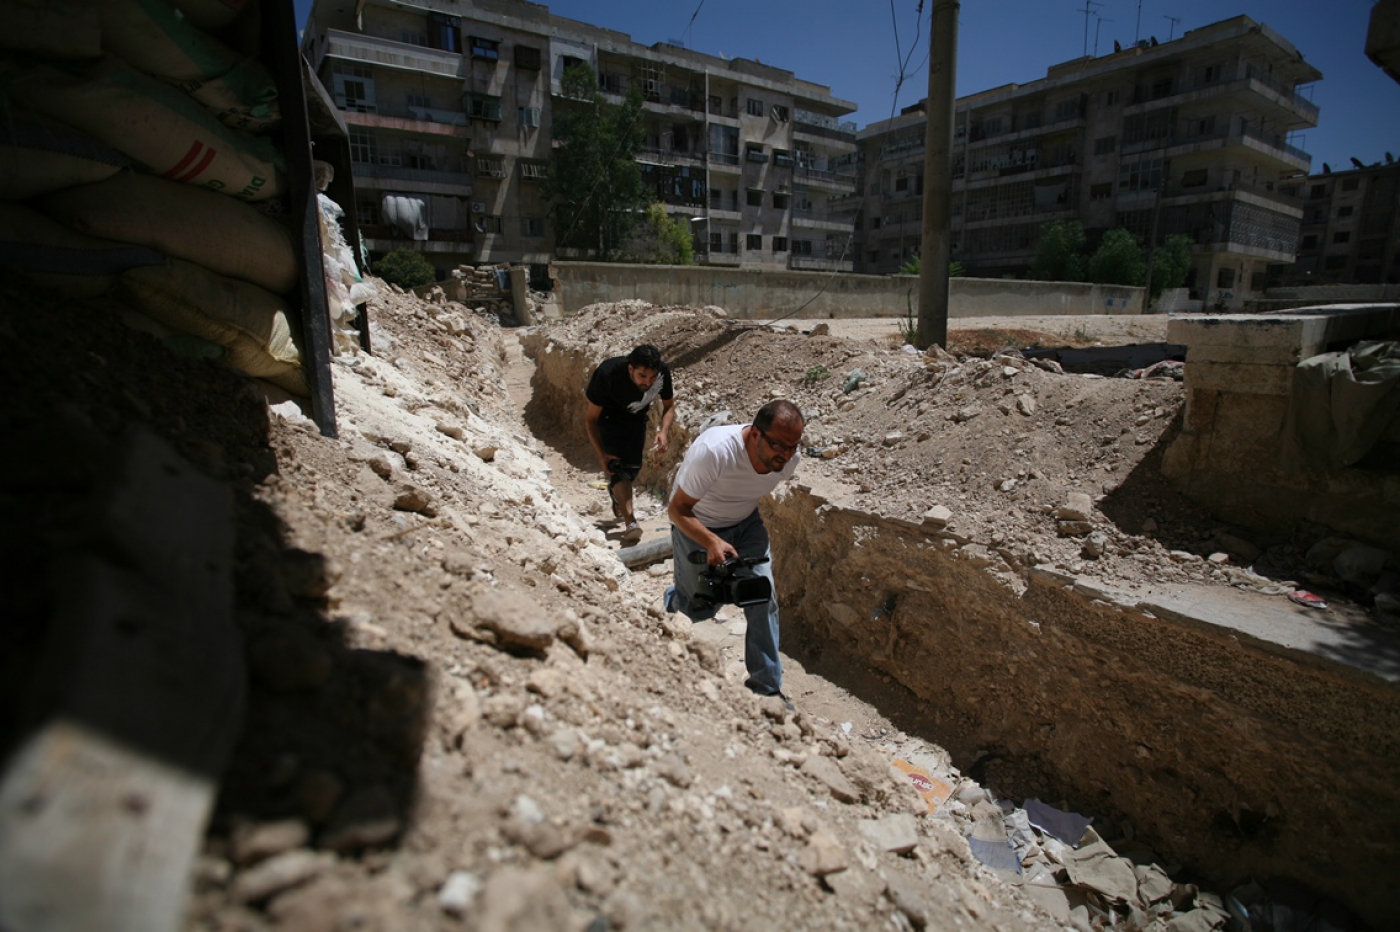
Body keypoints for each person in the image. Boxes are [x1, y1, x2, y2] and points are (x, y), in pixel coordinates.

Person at [665, 399, 804, 704]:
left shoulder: (789, 459)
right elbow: (677, 510)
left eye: (793, 446)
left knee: (761, 596)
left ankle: (766, 688)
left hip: (746, 525)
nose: (786, 454)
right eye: (779, 445)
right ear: (755, 434)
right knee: (698, 607)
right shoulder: (715, 452)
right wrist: (712, 541)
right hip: (698, 525)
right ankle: (673, 601)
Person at [584, 344, 675, 546]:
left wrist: (663, 431)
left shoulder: (662, 372)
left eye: (652, 377)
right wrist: (602, 454)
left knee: (633, 469)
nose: (648, 382)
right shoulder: (607, 374)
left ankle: (617, 495)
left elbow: (669, 406)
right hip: (608, 421)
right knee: (620, 470)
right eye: (642, 376)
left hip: (636, 421)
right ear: (630, 368)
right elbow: (590, 419)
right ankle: (630, 521)